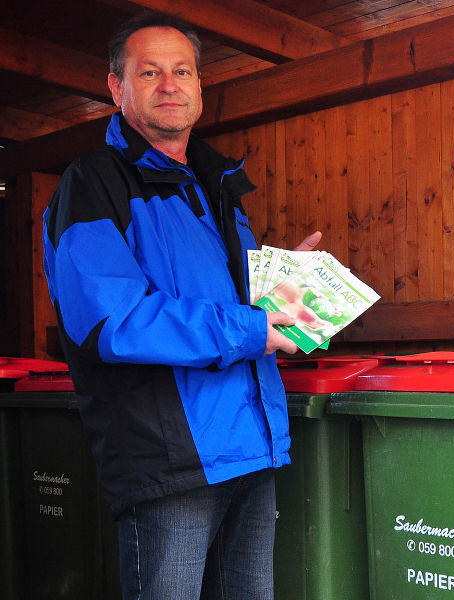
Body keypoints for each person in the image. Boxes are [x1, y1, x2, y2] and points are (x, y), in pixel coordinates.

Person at [42, 12, 321, 599]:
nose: (169, 85)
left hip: (252, 447)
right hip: (170, 461)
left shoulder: (215, 186)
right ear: (117, 89)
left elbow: (237, 310)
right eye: (150, 72)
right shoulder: (94, 183)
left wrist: (285, 286)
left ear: (199, 87)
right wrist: (251, 328)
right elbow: (113, 321)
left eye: (182, 71)